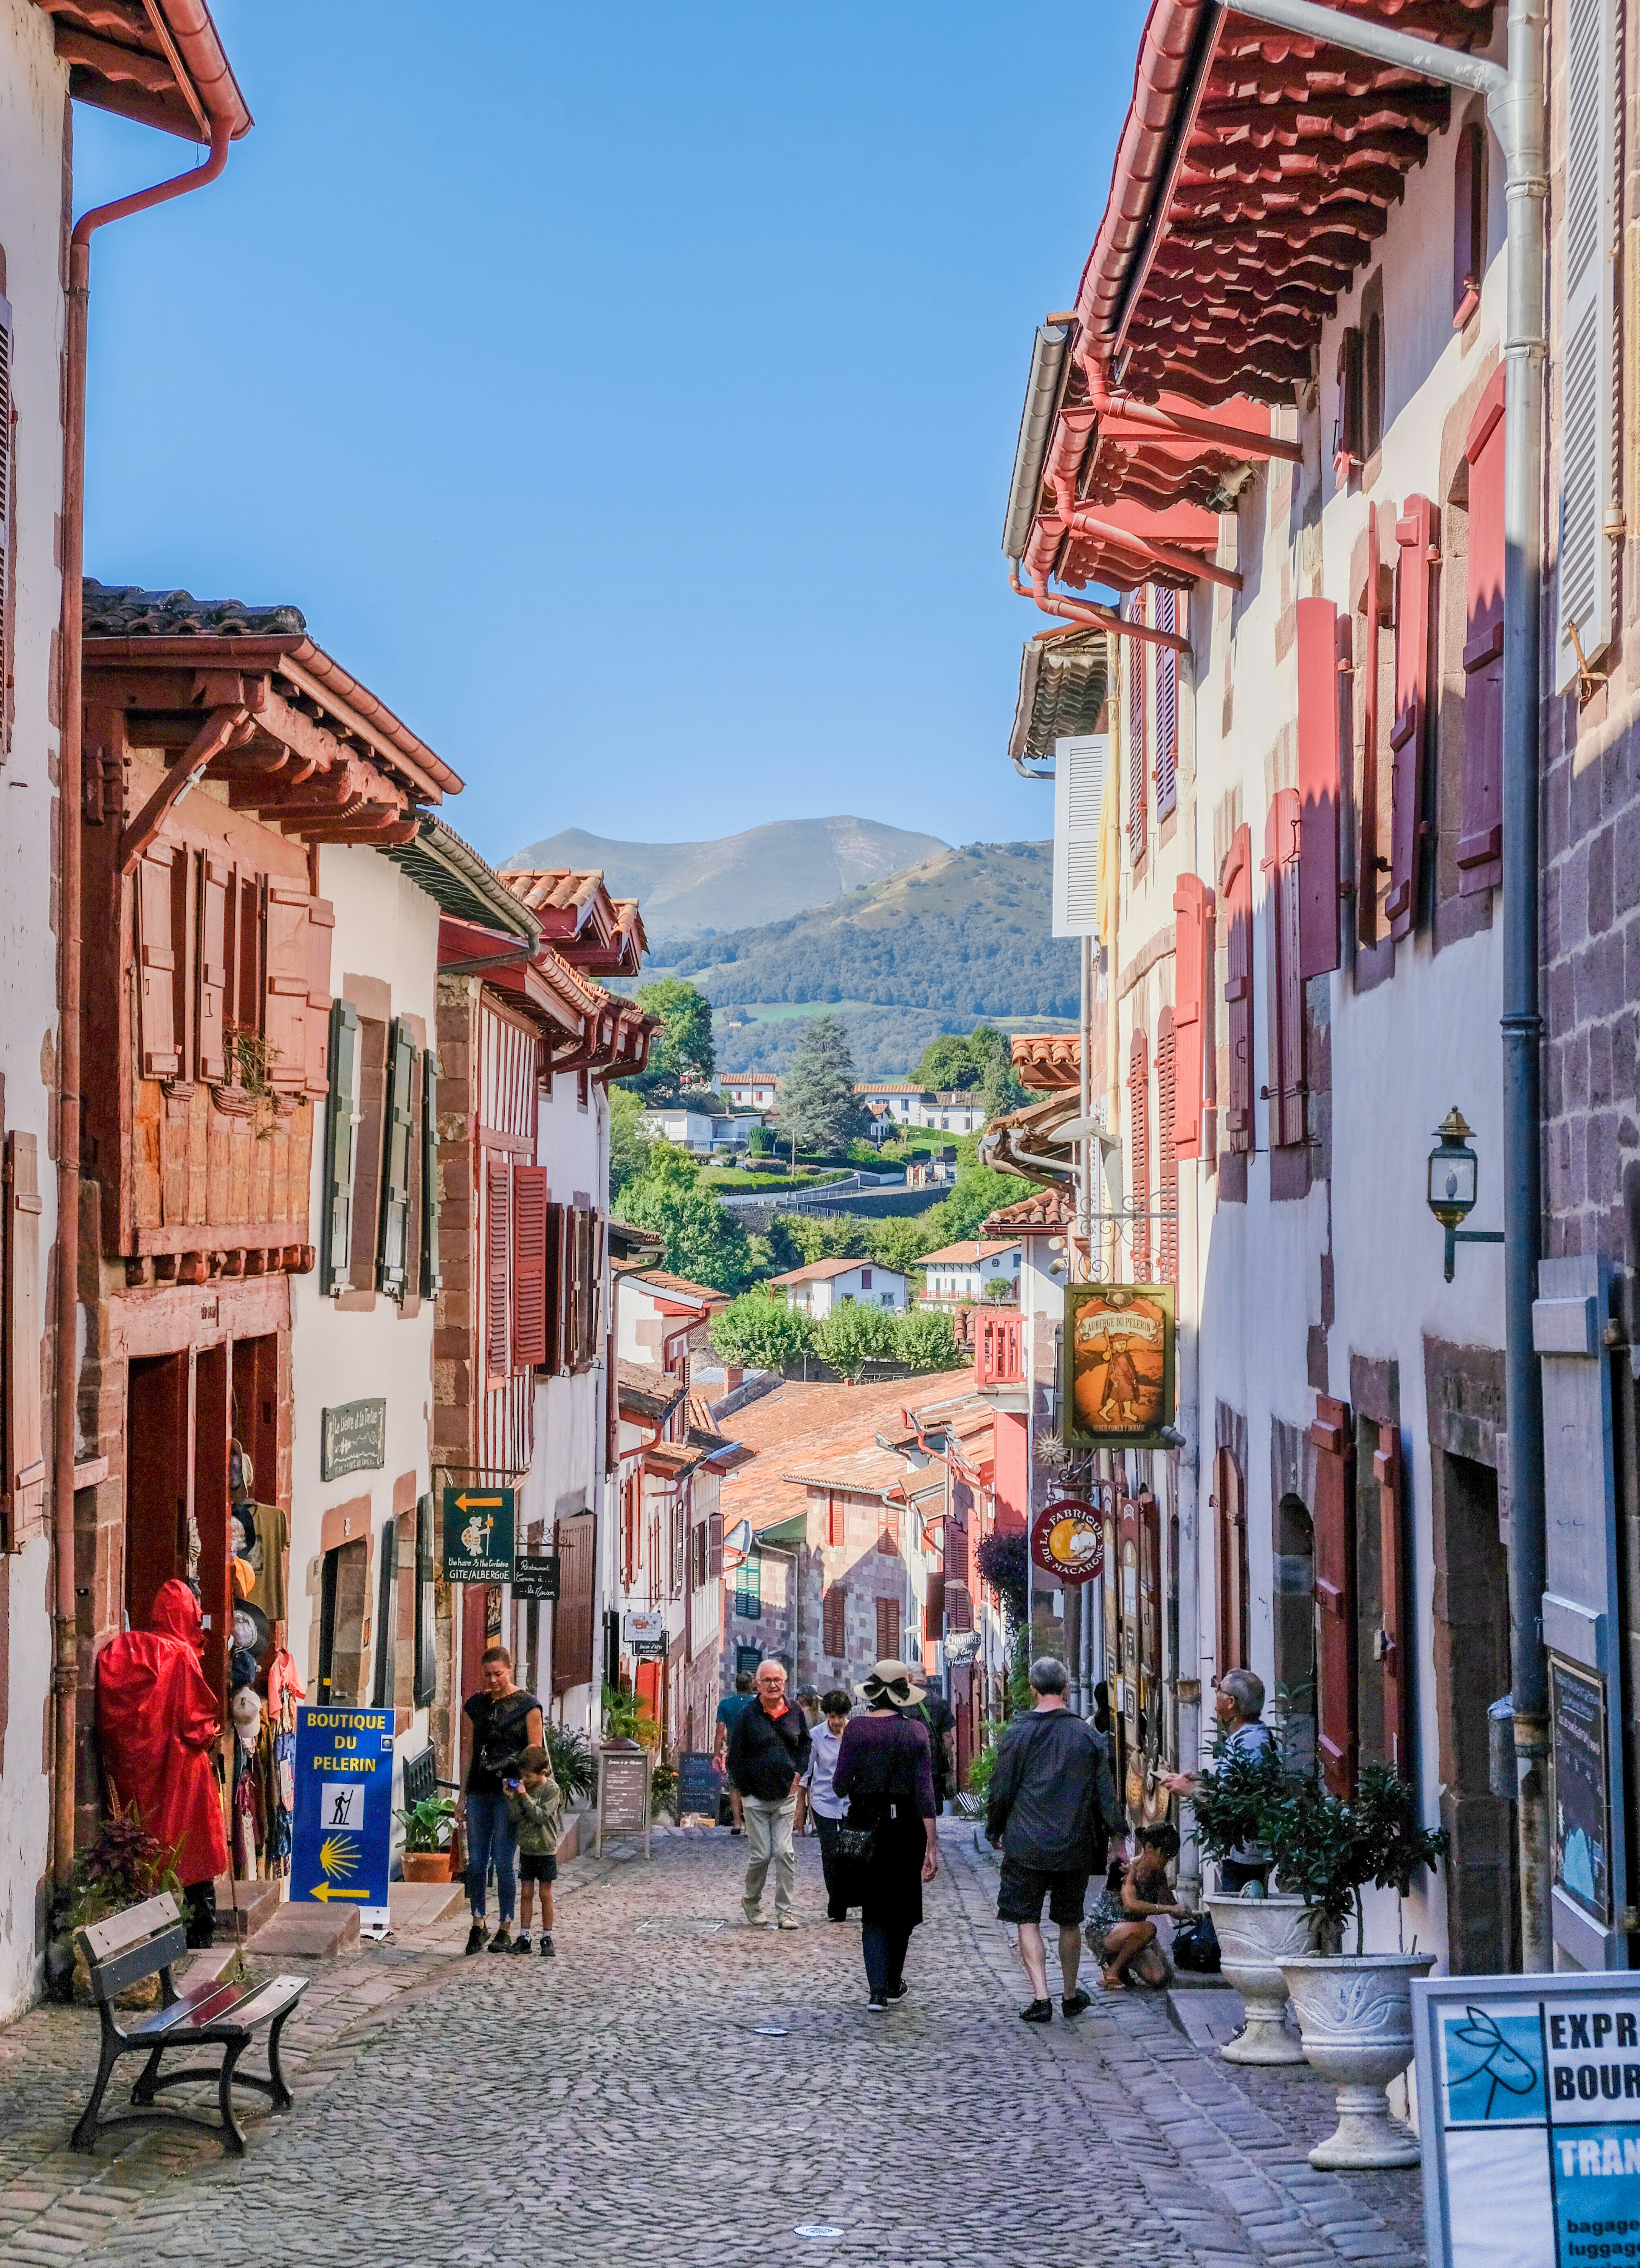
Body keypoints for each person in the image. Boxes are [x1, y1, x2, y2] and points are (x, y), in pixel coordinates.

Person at [95, 1580, 230, 1948]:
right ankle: (199, 1929)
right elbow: (197, 1725)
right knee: (195, 1847)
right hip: (182, 1774)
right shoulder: (180, 1655)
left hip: (139, 1775)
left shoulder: (124, 1649)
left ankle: (150, 1931)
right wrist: (212, 1732)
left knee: (147, 1849)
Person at [986, 1655, 1120, 2024]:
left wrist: (995, 1828)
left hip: (1026, 1842)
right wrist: (1119, 1840)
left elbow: (1002, 1788)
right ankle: (1070, 1994)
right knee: (1069, 1921)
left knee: (1027, 1920)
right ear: (1065, 1689)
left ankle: (1041, 1996)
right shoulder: (1087, 1735)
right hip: (1074, 1844)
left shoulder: (1019, 1733)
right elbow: (1106, 1792)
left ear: (1033, 1690)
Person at [832, 1659, 939, 2011]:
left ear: (874, 1694)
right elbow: (926, 1794)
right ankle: (893, 1981)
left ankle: (878, 1989)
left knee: (874, 1911)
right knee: (903, 1910)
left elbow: (839, 1786)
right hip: (906, 1830)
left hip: (866, 1825)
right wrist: (932, 1847)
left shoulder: (856, 1730)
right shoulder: (916, 1733)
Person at [1161, 1666, 1277, 1893]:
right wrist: (1201, 1781)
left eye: (1219, 1689)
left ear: (1232, 1703)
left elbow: (1236, 1800)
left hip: (1247, 1853)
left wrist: (1191, 1791)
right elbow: (1233, 1785)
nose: (1215, 1693)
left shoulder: (1250, 1744)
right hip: (1241, 1850)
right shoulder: (1248, 1736)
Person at [460, 1644, 543, 1955]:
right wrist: (462, 1795)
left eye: (498, 1674)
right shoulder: (475, 1706)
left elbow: (535, 1753)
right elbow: (467, 1752)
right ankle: (478, 1922)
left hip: (509, 1791)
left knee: (504, 1862)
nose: (493, 1680)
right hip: (481, 1789)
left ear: (509, 1670)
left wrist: (525, 1791)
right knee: (478, 1862)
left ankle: (506, 1927)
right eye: (487, 1675)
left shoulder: (528, 1706)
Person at [726, 1658, 811, 1929]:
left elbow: (805, 1746)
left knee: (785, 1853)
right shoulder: (747, 1716)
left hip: (786, 1796)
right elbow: (735, 1758)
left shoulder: (795, 1711)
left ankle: (785, 1912)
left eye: (778, 1680)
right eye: (768, 1681)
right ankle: (751, 1902)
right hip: (756, 1798)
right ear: (758, 1685)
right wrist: (746, 1791)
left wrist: (799, 1774)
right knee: (762, 1855)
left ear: (785, 1683)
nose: (773, 1685)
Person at [1086, 1823, 1189, 1989]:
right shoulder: (1126, 1869)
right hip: (1104, 1930)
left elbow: (1173, 1908)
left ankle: (1121, 1960)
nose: (1167, 1861)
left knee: (1158, 1977)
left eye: (1171, 1856)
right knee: (1149, 1929)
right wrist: (1170, 1909)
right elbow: (1131, 1906)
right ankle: (1112, 1972)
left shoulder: (1158, 1877)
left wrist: (1190, 1913)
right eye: (1165, 1854)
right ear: (1149, 1848)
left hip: (1131, 1933)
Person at [505, 1743, 563, 1958]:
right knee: (526, 1893)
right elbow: (515, 1818)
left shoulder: (552, 1790)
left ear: (543, 1773)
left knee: (545, 1894)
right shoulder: (524, 1790)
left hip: (546, 1850)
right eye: (523, 1777)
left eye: (529, 1777)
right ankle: (525, 1936)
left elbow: (540, 1816)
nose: (525, 1781)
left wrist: (525, 1796)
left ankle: (547, 1937)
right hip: (528, 1849)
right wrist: (513, 1799)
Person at [801, 1689, 855, 1919]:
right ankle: (837, 1904)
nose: (835, 1722)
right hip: (824, 1801)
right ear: (826, 1716)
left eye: (840, 1717)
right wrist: (798, 1807)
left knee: (850, 1852)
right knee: (831, 1852)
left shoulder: (856, 1733)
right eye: (831, 1717)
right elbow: (806, 1772)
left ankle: (848, 1896)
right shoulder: (815, 1736)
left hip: (852, 1803)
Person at [907, 1661, 956, 1814]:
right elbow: (947, 1738)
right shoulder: (939, 1702)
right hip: (932, 1765)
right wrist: (948, 1763)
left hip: (906, 1765)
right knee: (931, 1809)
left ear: (908, 1678)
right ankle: (931, 1836)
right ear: (925, 1678)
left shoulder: (900, 1702)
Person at [714, 1671, 756, 1834]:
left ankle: (737, 1823)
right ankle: (750, 1823)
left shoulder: (725, 1704)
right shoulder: (757, 1704)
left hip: (734, 1750)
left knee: (734, 1786)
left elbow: (719, 1732)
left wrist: (717, 1754)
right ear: (751, 1685)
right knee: (752, 1787)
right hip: (754, 1750)